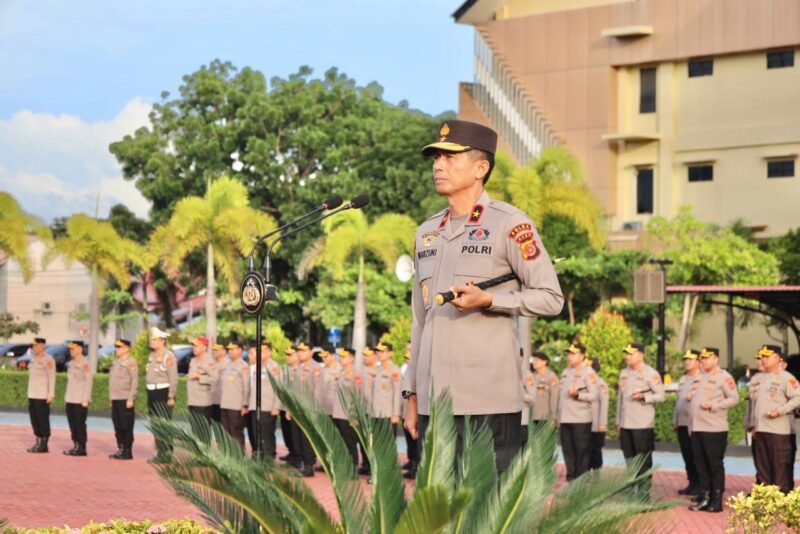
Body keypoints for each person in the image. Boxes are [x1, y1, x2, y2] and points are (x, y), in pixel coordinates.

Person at [403, 120, 564, 474]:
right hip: (434, 404)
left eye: (450, 157)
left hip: (487, 402)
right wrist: (411, 394)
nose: (438, 165)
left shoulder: (510, 223)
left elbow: (551, 298)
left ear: (481, 167)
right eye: (436, 158)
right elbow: (419, 320)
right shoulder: (427, 231)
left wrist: (492, 301)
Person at [687, 347, 739, 513]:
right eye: (702, 358)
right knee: (700, 464)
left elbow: (734, 398)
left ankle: (717, 499)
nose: (703, 361)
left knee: (714, 464)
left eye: (707, 358)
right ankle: (705, 496)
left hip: (714, 428)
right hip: (698, 428)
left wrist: (715, 405)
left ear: (716, 359)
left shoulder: (724, 377)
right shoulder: (699, 377)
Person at [616, 342, 665, 495]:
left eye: (631, 354)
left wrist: (644, 396)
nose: (628, 357)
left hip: (642, 424)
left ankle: (643, 493)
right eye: (627, 353)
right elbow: (620, 399)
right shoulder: (624, 373)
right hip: (626, 424)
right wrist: (618, 422)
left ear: (641, 355)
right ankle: (632, 490)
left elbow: (661, 396)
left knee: (643, 461)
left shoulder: (650, 373)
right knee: (629, 460)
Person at [751, 344, 800, 493]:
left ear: (778, 359)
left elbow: (798, 397)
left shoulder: (786, 378)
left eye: (767, 356)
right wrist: (753, 425)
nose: (763, 360)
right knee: (763, 470)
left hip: (779, 432)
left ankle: (781, 505)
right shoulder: (760, 379)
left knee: (780, 471)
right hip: (761, 430)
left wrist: (780, 410)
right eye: (763, 357)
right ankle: (766, 505)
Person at [557, 343, 599, 481]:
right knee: (568, 452)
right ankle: (571, 481)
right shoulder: (565, 372)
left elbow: (594, 395)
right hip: (565, 419)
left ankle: (581, 483)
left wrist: (578, 395)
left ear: (581, 356)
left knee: (582, 452)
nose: (569, 356)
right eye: (568, 353)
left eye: (573, 354)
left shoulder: (589, 373)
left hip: (580, 419)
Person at [145, 326, 178, 464]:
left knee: (163, 423)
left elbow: (173, 378)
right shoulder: (151, 356)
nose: (152, 342)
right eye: (152, 339)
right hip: (151, 391)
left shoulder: (168, 356)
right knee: (155, 424)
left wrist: (171, 396)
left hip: (162, 392)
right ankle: (160, 452)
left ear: (162, 341)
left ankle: (167, 453)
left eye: (155, 339)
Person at [673, 349, 702, 496]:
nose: (687, 362)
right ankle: (692, 482)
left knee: (696, 456)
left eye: (690, 359)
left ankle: (700, 485)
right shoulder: (684, 379)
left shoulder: (702, 378)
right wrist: (675, 420)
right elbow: (678, 402)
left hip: (695, 424)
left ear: (698, 361)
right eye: (686, 359)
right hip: (683, 423)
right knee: (687, 456)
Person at [291, 342, 320, 477]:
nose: (300, 353)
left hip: (308, 409)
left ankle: (309, 465)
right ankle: (301, 462)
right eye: (299, 351)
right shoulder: (298, 368)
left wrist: (314, 409)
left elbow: (318, 391)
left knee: (306, 438)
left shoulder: (316, 368)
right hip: (297, 408)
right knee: (297, 437)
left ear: (311, 352)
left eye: (304, 350)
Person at [248, 342, 281, 458]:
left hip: (268, 407)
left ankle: (269, 458)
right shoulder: (256, 366)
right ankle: (259, 457)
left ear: (269, 352)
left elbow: (278, 389)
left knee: (267, 435)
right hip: (254, 406)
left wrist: (276, 407)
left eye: (262, 351)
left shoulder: (275, 367)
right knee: (256, 434)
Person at [331, 347, 362, 470]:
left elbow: (358, 397)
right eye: (340, 356)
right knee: (341, 441)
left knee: (350, 442)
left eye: (344, 357)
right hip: (338, 413)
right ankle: (344, 465)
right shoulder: (341, 373)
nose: (341, 359)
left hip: (348, 414)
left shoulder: (356, 374)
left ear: (351, 358)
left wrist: (354, 415)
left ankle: (352, 466)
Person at [521, 351, 558, 446]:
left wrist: (553, 418)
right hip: (531, 417)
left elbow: (553, 399)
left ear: (544, 362)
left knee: (545, 446)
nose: (534, 362)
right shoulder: (531, 376)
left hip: (545, 418)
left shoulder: (551, 377)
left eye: (537, 360)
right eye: (533, 360)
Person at [109, 339, 138, 460]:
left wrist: (131, 398)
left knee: (126, 425)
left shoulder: (131, 362)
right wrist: (111, 397)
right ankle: (120, 448)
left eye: (120, 347)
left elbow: (134, 381)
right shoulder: (116, 362)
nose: (117, 349)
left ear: (127, 349)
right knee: (117, 425)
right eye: (116, 347)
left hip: (125, 398)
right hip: (115, 398)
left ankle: (127, 450)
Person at [63, 340, 93, 456]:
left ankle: (81, 447)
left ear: (80, 349)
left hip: (80, 399)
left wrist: (86, 399)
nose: (71, 351)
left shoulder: (85, 364)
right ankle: (75, 445)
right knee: (72, 424)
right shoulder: (70, 363)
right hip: (70, 398)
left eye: (73, 349)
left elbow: (88, 382)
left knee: (79, 424)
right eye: (70, 349)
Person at [26, 337, 55, 453]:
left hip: (42, 395)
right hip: (32, 394)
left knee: (42, 420)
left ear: (42, 346)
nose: (34, 347)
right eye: (33, 345)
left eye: (36, 345)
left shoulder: (48, 359)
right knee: (34, 419)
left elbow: (52, 377)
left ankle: (44, 444)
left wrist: (51, 393)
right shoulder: (33, 358)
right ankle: (38, 442)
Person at [220, 340, 250, 448]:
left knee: (236, 433)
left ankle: (239, 457)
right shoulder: (227, 364)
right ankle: (229, 456)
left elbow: (246, 387)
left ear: (240, 350)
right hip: (225, 404)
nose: (230, 351)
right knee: (226, 433)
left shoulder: (243, 366)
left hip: (236, 405)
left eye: (233, 349)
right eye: (229, 349)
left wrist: (245, 404)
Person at [186, 336, 218, 440]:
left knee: (203, 431)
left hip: (203, 402)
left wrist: (199, 377)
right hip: (192, 400)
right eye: (193, 346)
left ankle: (204, 454)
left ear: (204, 347)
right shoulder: (193, 360)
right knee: (195, 430)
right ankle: (197, 454)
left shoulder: (209, 362)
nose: (194, 348)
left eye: (197, 346)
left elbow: (214, 378)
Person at [744, 349, 766, 484]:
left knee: (770, 462)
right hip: (754, 427)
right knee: (758, 461)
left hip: (768, 427)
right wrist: (748, 422)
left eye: (761, 358)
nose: (759, 362)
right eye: (758, 359)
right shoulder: (755, 378)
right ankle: (760, 488)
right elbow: (751, 404)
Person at [280, 345, 301, 468]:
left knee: (295, 434)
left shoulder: (299, 371)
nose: (287, 357)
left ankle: (298, 458)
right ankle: (292, 453)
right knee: (287, 432)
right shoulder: (286, 369)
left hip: (293, 408)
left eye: (290, 354)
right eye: (286, 355)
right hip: (284, 406)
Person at [400, 344, 418, 479]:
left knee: (416, 441)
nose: (408, 353)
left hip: (417, 411)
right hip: (407, 411)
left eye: (410, 350)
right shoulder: (405, 368)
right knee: (410, 441)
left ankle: (416, 466)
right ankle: (412, 462)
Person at [589, 357, 609, 470]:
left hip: (596, 425)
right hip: (584, 423)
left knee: (596, 452)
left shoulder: (600, 384)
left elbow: (604, 404)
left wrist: (602, 423)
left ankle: (596, 478)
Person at [210, 342, 228, 422]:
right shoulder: (211, 364)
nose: (215, 352)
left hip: (225, 401)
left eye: (217, 350)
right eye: (214, 350)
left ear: (224, 351)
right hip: (212, 400)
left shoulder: (230, 364)